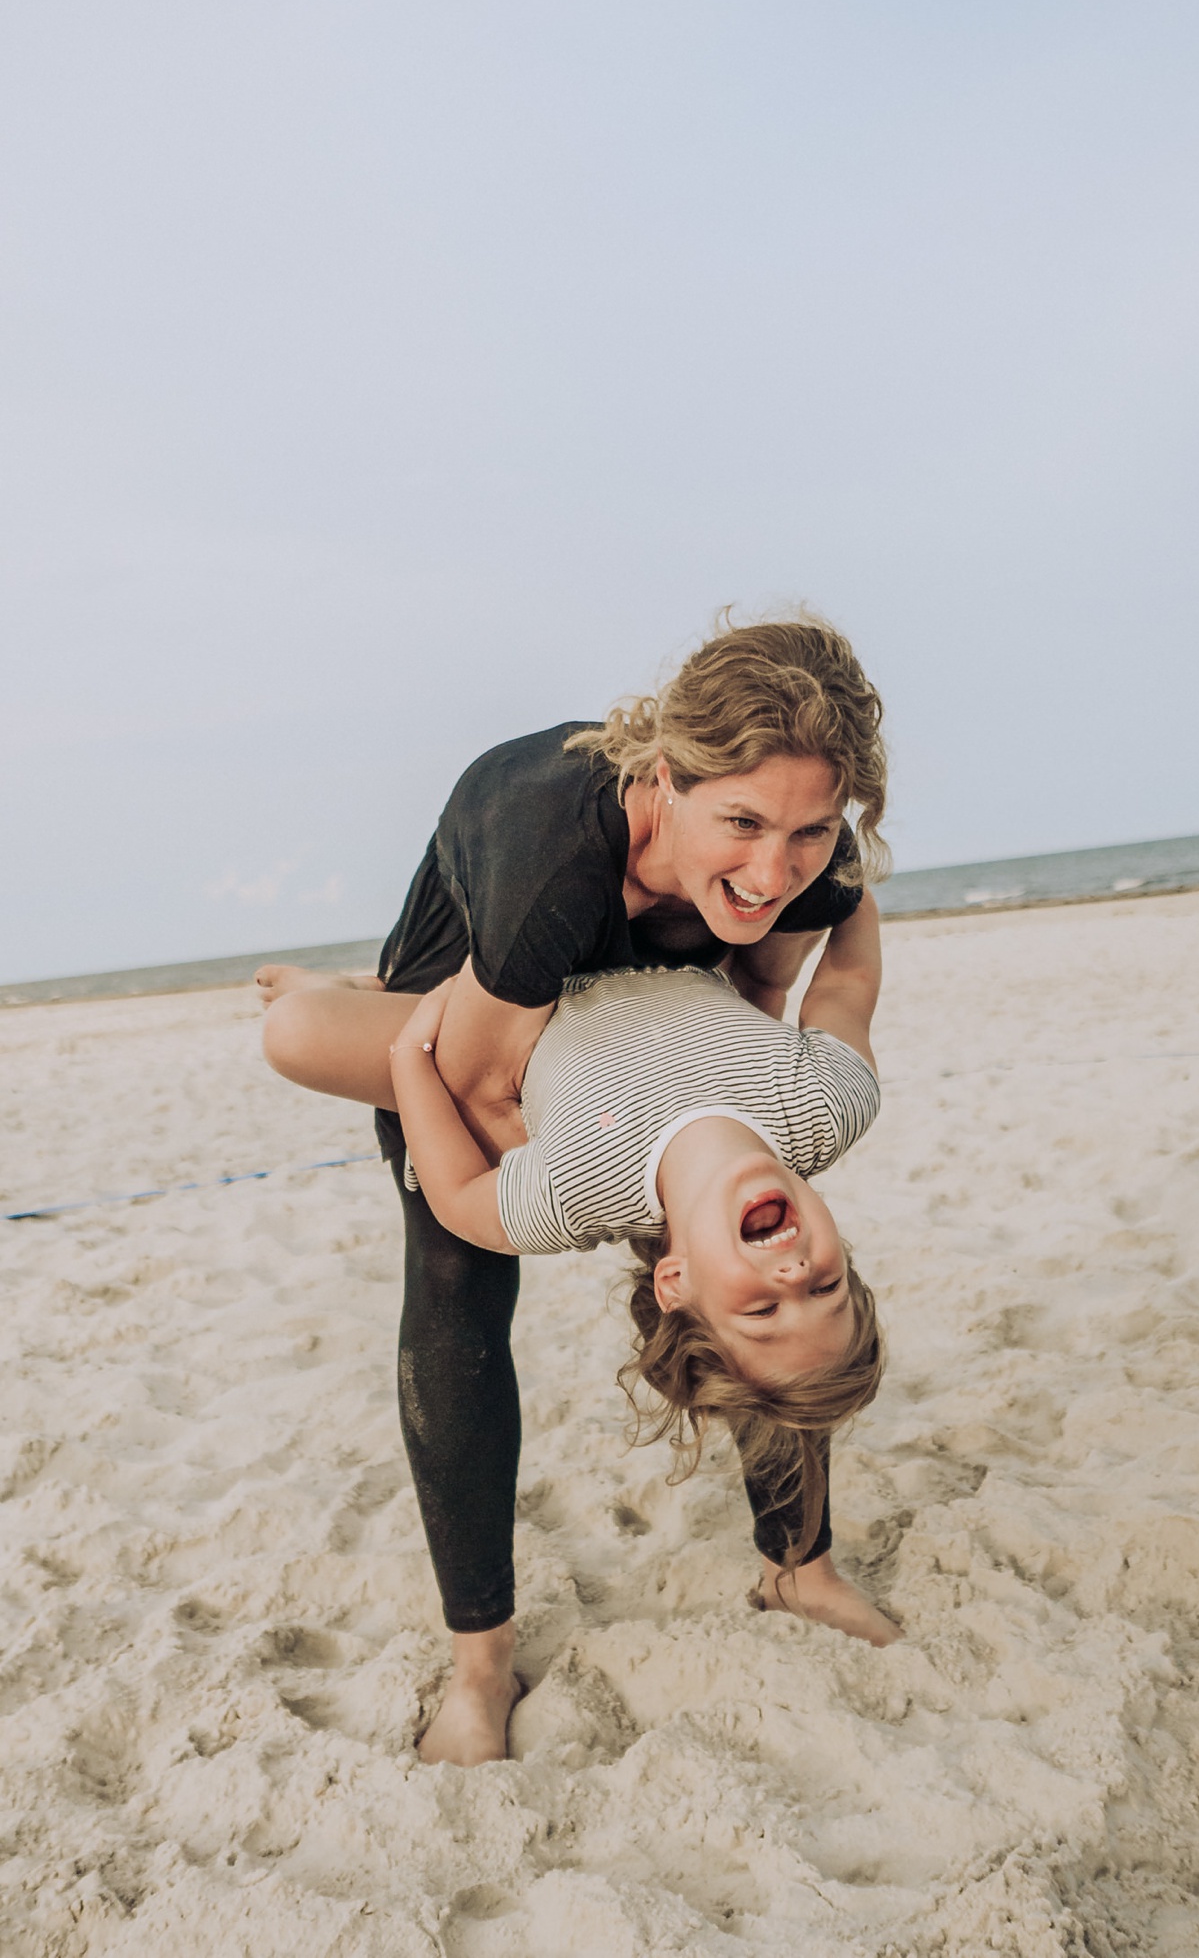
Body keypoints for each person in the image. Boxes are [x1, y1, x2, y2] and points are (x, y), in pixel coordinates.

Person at [260, 614, 894, 1763]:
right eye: (744, 821)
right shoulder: (551, 854)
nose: (776, 862)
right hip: (482, 994)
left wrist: (686, 1159)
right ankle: (481, 1666)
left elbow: (768, 972)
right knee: (454, 1277)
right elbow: (484, 1082)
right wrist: (611, 1151)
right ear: (665, 779)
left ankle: (798, 1567)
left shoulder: (797, 857)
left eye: (811, 830)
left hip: (648, 991)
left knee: (767, 1334)